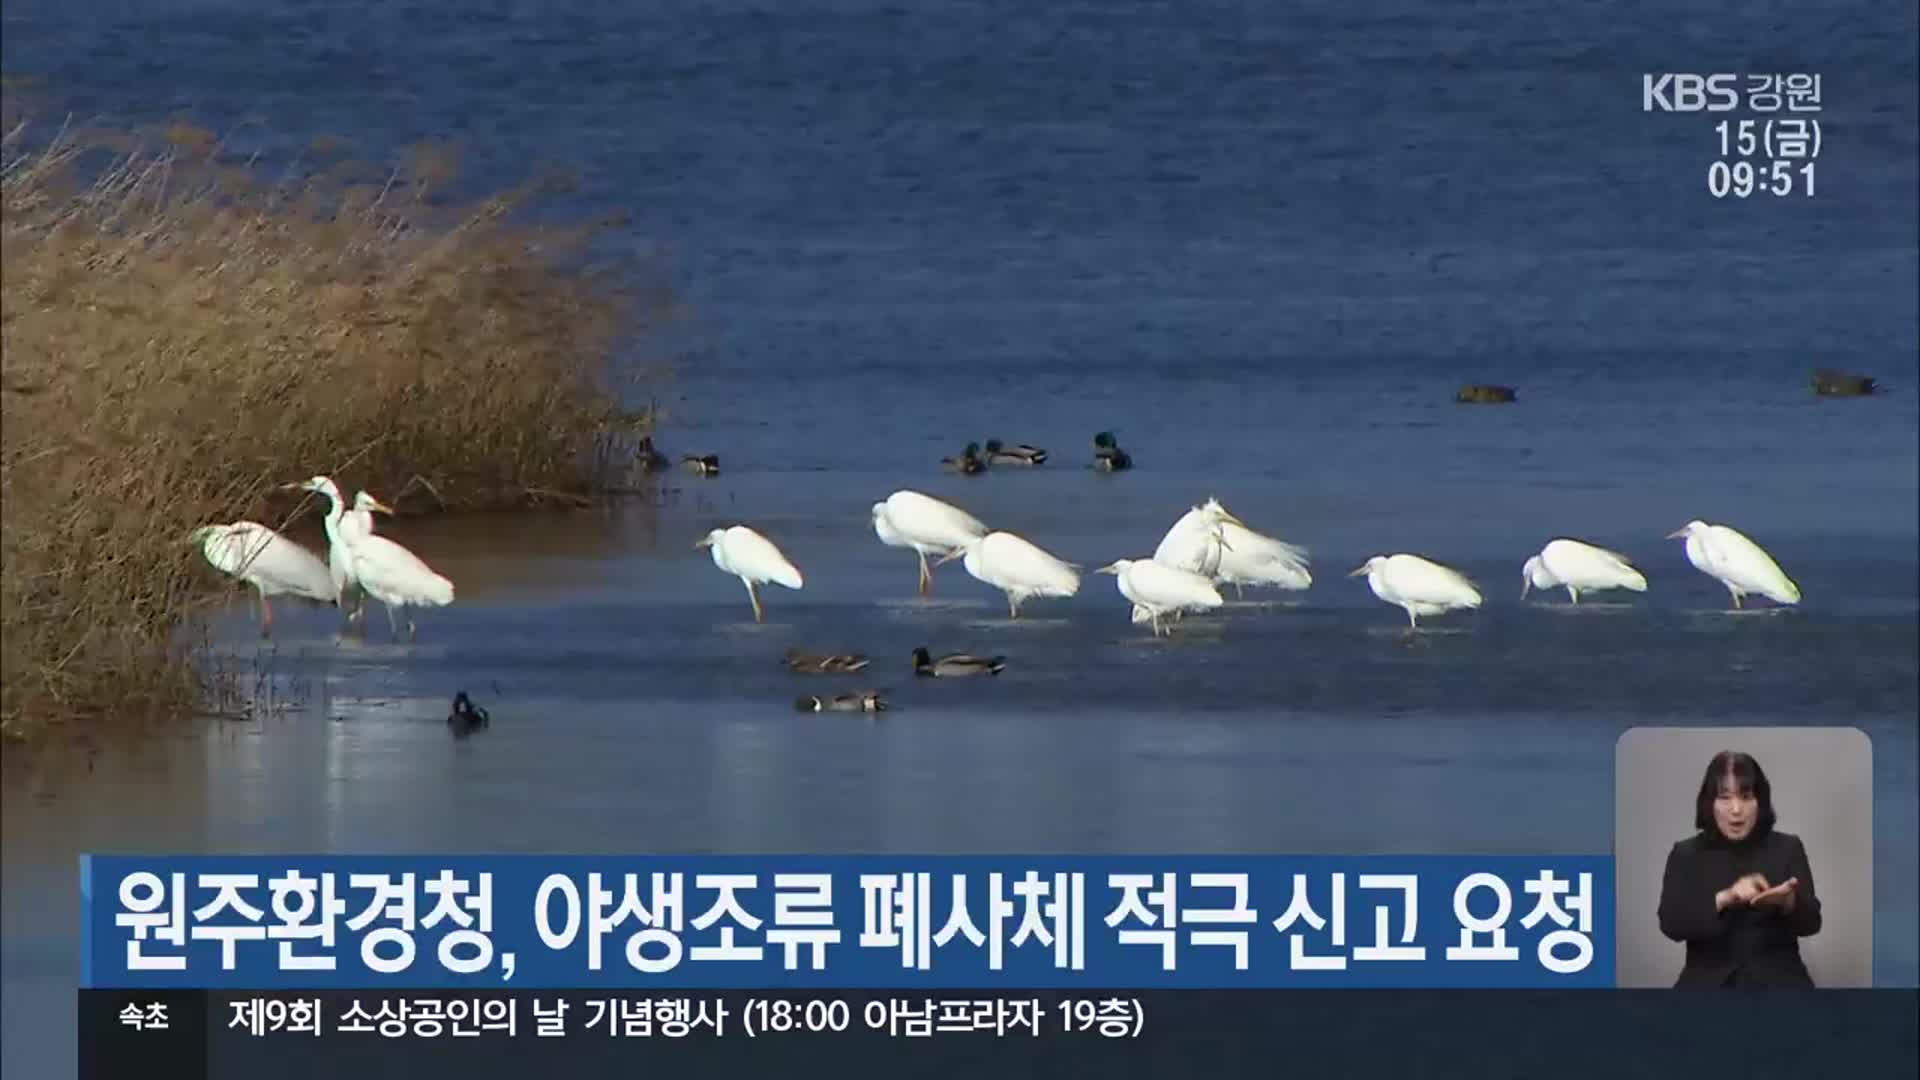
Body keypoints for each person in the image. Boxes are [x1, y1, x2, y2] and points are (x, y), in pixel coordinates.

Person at [1656, 750, 1822, 987]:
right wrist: (1726, 898)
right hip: (1707, 990)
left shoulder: (1788, 847)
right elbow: (1671, 924)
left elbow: (1812, 924)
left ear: (1760, 802)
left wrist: (1788, 902)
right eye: (1725, 798)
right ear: (1709, 803)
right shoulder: (1685, 854)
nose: (1736, 809)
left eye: (1746, 796)